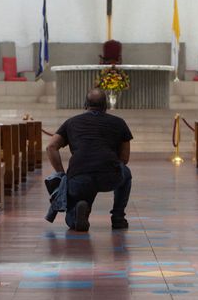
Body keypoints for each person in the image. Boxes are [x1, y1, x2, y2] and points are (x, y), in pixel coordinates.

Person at [46, 88, 133, 231]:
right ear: (106, 106)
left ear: (85, 105)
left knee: (76, 207)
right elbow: (124, 158)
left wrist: (62, 175)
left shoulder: (72, 122)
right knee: (126, 173)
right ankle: (118, 217)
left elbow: (51, 147)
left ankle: (78, 213)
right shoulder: (119, 123)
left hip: (79, 176)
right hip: (109, 176)